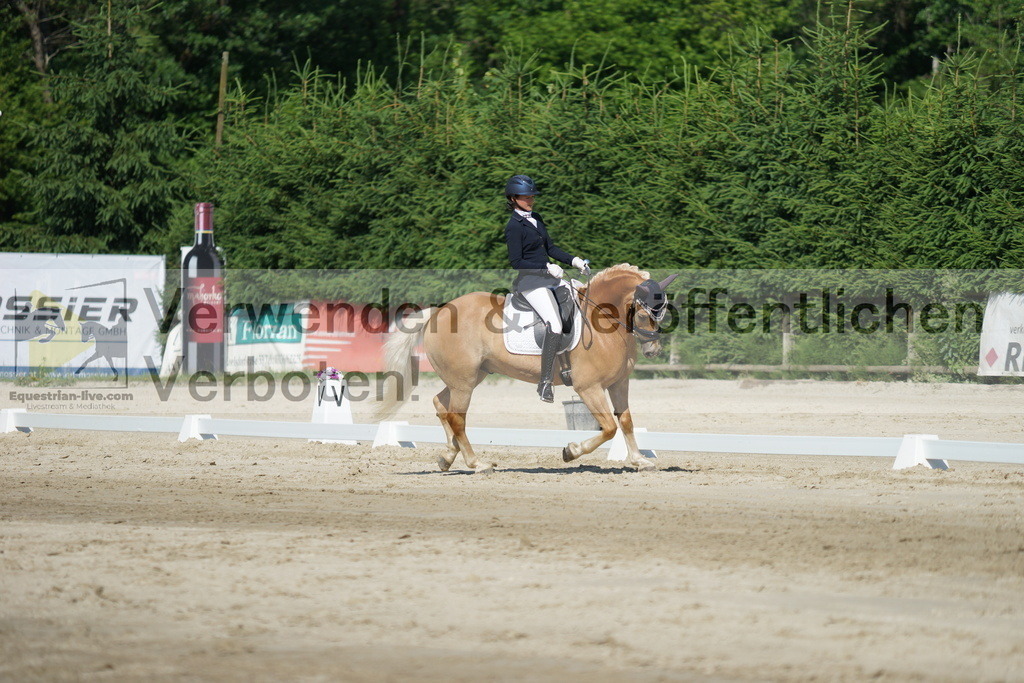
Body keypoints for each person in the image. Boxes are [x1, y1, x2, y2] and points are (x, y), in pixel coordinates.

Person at [503, 174, 589, 402]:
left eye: (532, 195)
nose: (530, 199)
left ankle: (571, 363)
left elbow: (550, 247)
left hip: (548, 278)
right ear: (513, 198)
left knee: (580, 296)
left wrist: (574, 260)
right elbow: (516, 262)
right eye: (525, 196)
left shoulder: (536, 218)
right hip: (530, 283)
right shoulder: (513, 226)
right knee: (555, 323)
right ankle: (545, 382)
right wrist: (545, 267)